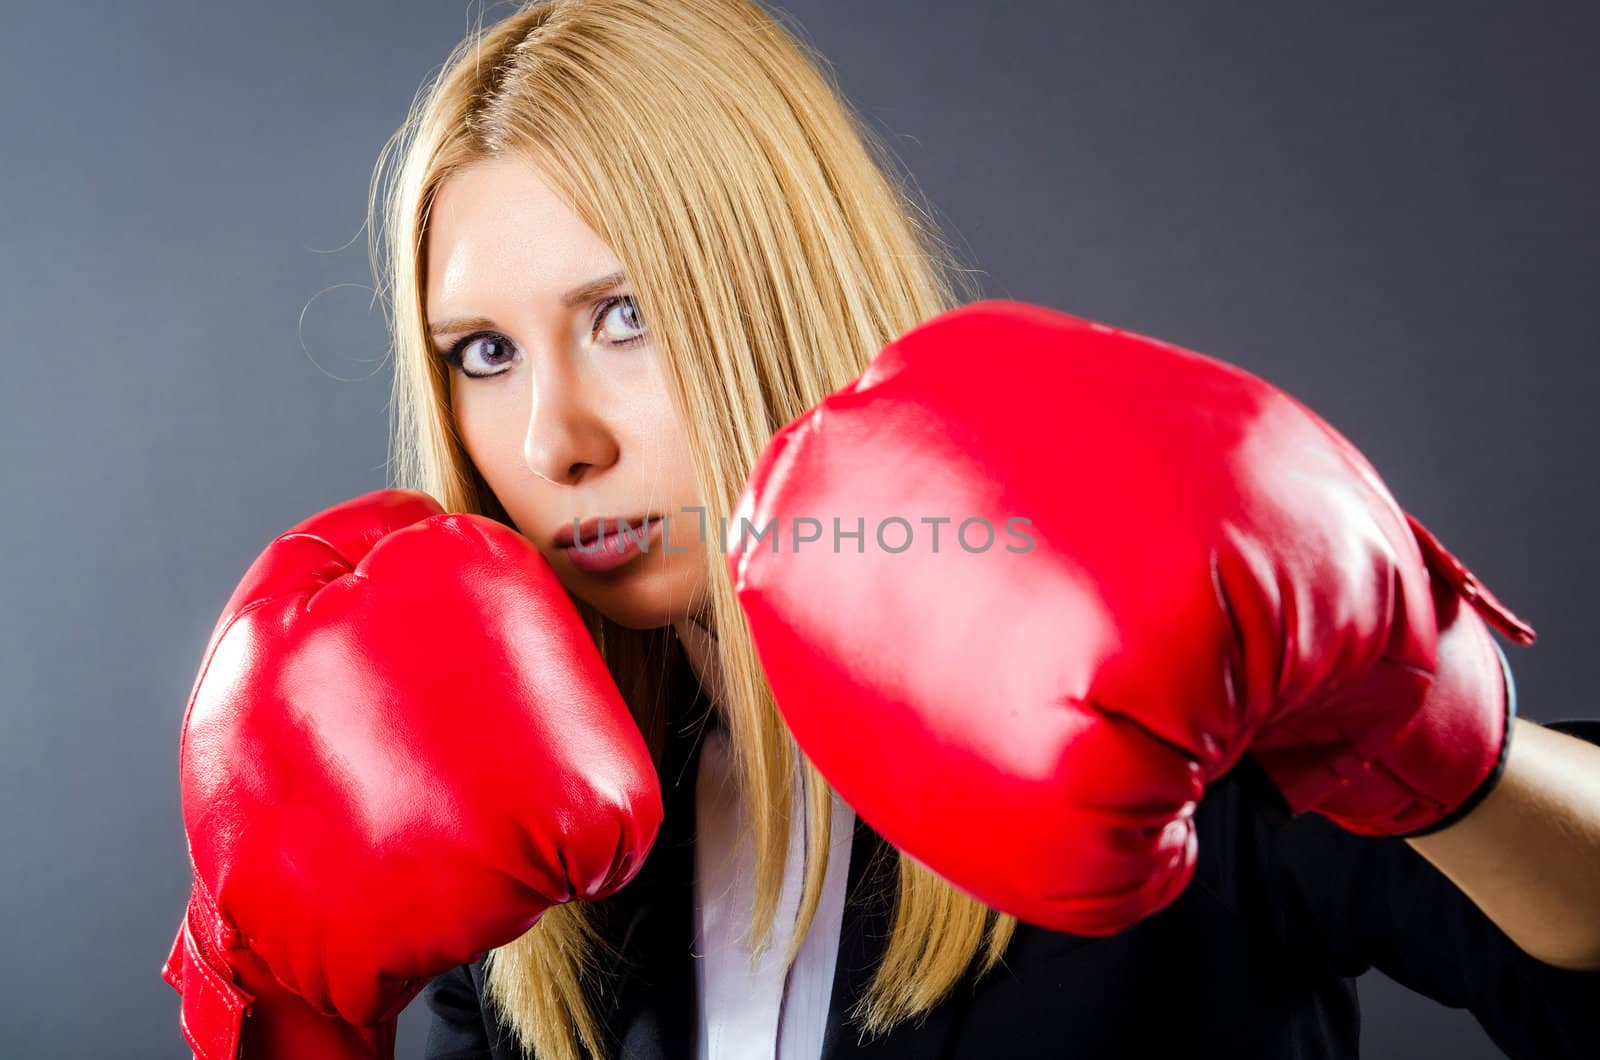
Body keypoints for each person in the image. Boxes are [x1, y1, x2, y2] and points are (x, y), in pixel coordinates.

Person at [163, 1, 1600, 1058]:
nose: (555, 441)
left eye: (625, 316)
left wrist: (1422, 730)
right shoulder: (532, 825)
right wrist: (284, 1013)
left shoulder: (1159, 676)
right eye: (483, 353)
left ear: (781, 293)